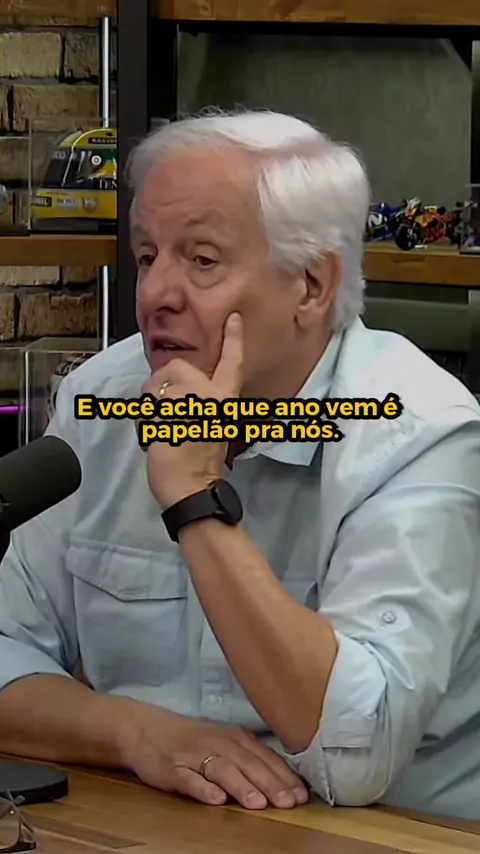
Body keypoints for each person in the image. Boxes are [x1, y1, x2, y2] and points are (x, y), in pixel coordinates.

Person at [0, 109, 480, 820]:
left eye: (202, 260)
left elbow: (356, 755)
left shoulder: (421, 433)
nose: (155, 294)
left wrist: (195, 499)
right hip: (159, 822)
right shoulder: (102, 399)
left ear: (311, 286)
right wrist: (139, 734)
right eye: (147, 256)